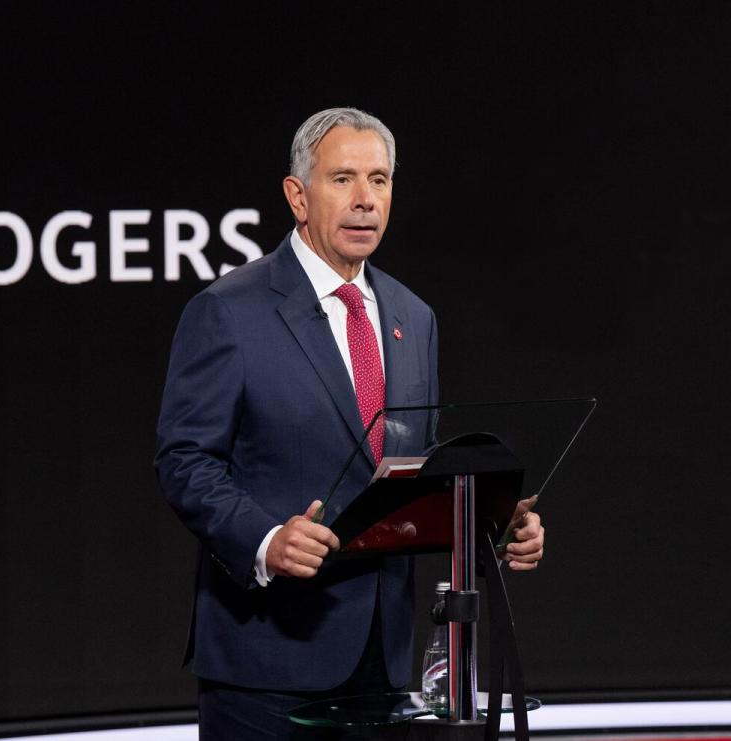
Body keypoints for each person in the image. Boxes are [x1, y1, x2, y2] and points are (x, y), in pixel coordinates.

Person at [155, 108, 545, 739]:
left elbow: (412, 469)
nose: (366, 200)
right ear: (297, 196)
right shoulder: (227, 312)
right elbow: (184, 462)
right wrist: (264, 541)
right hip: (269, 657)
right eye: (342, 179)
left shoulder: (413, 316)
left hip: (382, 659)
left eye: (381, 180)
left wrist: (492, 524)